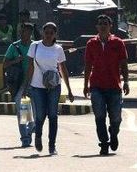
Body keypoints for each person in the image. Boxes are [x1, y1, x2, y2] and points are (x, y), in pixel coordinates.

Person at [24, 22, 74, 155]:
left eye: (51, 33)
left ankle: (52, 145)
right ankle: (38, 136)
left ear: (55, 35)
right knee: (40, 115)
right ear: (42, 33)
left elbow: (63, 69)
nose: (48, 35)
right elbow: (30, 67)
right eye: (46, 33)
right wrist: (26, 86)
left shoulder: (58, 49)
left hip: (54, 87)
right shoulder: (35, 46)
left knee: (53, 115)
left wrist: (69, 90)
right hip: (37, 86)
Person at [84, 15, 130, 156]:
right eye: (100, 24)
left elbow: (124, 64)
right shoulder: (91, 44)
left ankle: (114, 133)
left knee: (116, 118)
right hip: (97, 86)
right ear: (97, 27)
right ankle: (104, 143)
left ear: (110, 26)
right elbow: (87, 65)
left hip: (114, 86)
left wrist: (126, 81)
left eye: (105, 23)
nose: (103, 26)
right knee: (99, 116)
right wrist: (86, 85)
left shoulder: (118, 42)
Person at [4, 22, 34, 147]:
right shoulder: (14, 47)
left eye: (25, 31)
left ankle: (30, 130)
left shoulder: (36, 46)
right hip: (21, 83)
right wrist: (16, 60)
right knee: (23, 113)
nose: (22, 34)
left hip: (36, 82)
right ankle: (25, 138)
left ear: (30, 33)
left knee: (37, 116)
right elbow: (5, 64)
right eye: (21, 31)